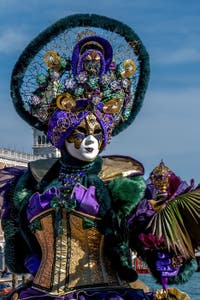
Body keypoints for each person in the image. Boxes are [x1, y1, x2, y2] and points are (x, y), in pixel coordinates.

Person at [0, 14, 199, 300]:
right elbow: (20, 246)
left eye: (97, 133)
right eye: (80, 131)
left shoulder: (121, 180)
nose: (90, 139)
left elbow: (144, 237)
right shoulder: (32, 180)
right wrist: (32, 259)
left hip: (107, 291)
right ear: (61, 136)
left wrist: (165, 260)